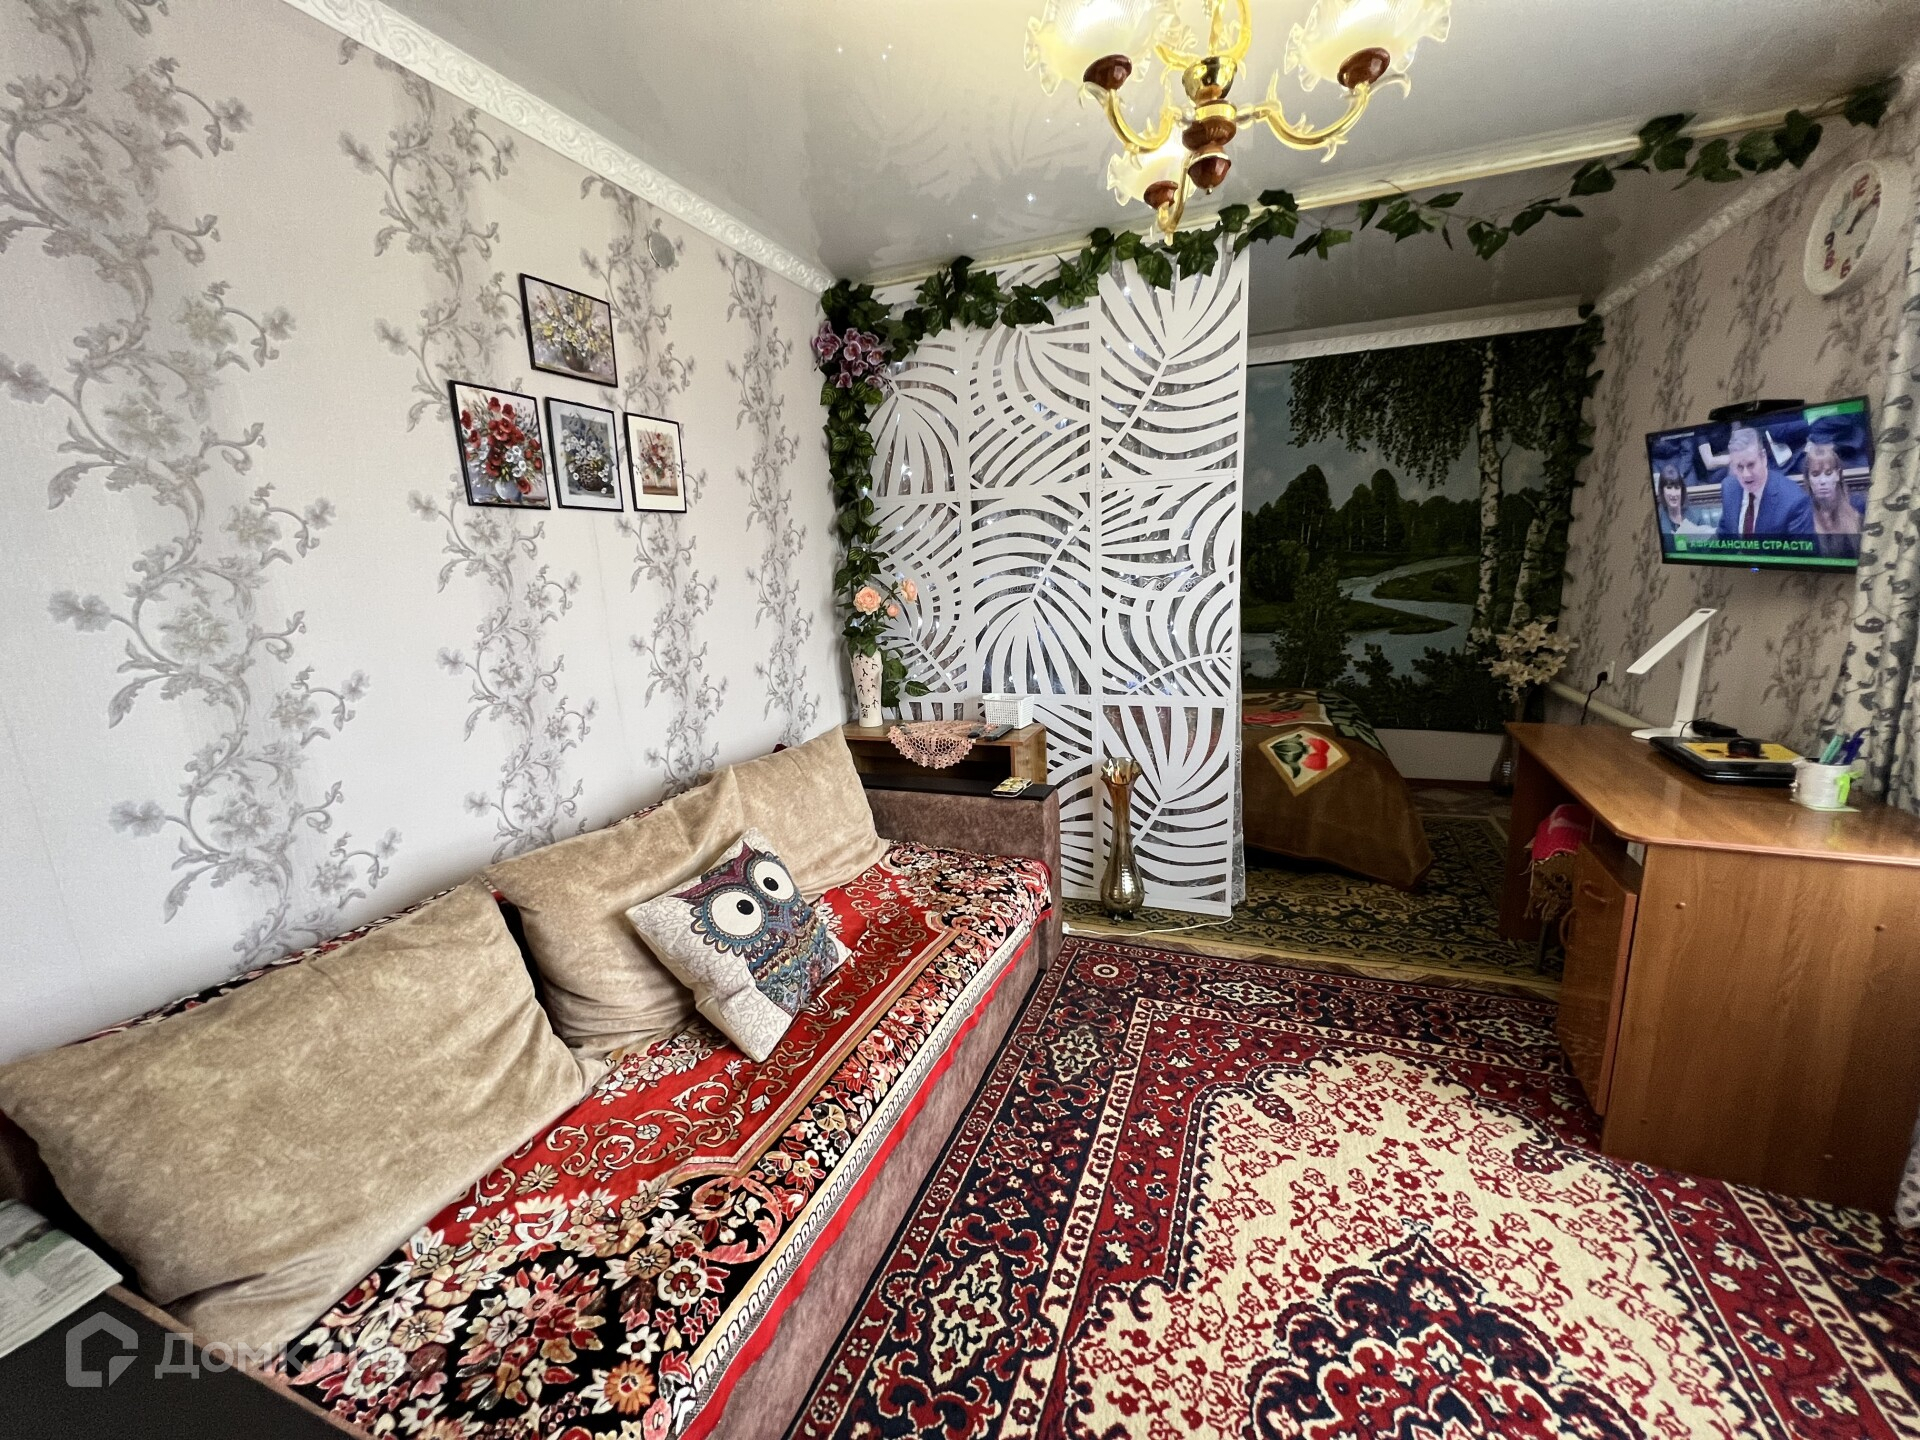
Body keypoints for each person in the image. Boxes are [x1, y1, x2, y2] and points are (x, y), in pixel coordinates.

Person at [1714, 425, 1814, 540]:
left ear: (1763, 457)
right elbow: (1724, 536)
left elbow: (1802, 550)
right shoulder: (1729, 487)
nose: (1746, 474)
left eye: (1751, 465)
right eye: (1739, 467)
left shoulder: (1795, 500)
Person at [1804, 437, 1863, 559]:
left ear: (1838, 475)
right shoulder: (1802, 516)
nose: (1822, 481)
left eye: (1828, 473)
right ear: (1808, 479)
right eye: (1815, 474)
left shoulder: (1858, 506)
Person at [1654, 462, 1712, 539]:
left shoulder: (1696, 515)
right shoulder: (1658, 519)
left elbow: (1708, 541)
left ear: (1682, 490)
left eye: (1677, 488)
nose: (1673, 494)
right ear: (1662, 491)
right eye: (1669, 488)